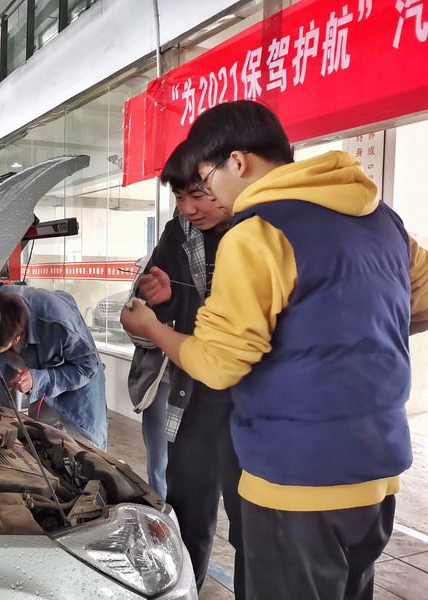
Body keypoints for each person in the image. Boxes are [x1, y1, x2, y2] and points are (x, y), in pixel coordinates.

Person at [121, 100, 428, 600]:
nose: (207, 199)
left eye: (206, 181)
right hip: (377, 474)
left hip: (295, 478)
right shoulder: (383, 220)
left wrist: (152, 328)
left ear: (237, 162)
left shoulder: (260, 231)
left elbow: (218, 364)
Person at [126, 142, 244, 596]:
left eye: (199, 193)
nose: (189, 208)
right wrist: (159, 297)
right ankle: (186, 589)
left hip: (253, 402)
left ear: (234, 172)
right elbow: (152, 297)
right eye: (179, 197)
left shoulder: (263, 230)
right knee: (188, 509)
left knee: (252, 522)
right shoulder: (179, 233)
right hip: (195, 395)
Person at [0, 285, 108, 449]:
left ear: (16, 339)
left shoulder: (59, 323)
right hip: (41, 388)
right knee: (38, 442)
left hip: (80, 388)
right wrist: (6, 407)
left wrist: (38, 379)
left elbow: (87, 368)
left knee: (84, 454)